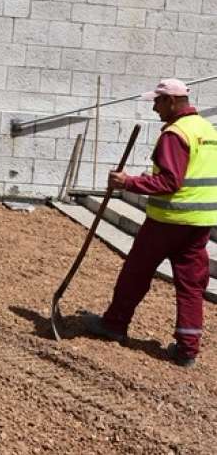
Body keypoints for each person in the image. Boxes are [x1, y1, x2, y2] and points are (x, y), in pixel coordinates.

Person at [85, 78, 217, 367]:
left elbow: (170, 181)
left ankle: (114, 324)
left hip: (169, 220)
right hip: (200, 222)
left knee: (136, 272)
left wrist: (127, 182)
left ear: (171, 101)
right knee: (191, 286)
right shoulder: (207, 129)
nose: (155, 108)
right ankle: (187, 349)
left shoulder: (175, 134)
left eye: (157, 102)